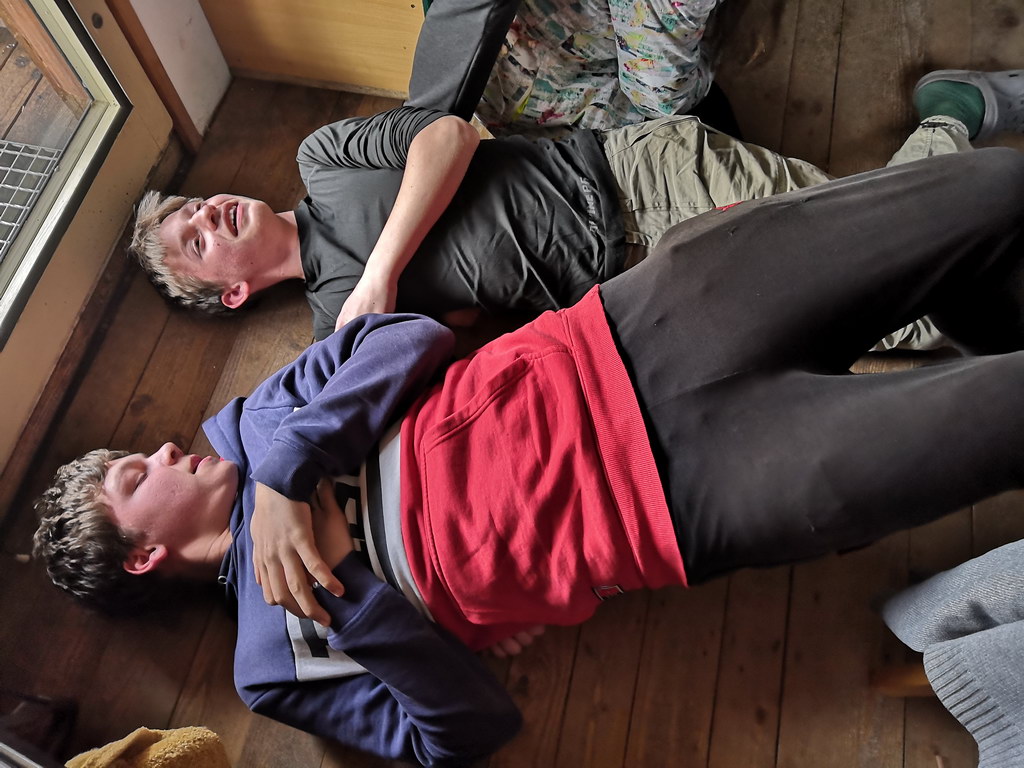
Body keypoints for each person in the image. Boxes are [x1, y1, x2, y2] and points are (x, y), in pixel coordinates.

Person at [34, 148, 1024, 764]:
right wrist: (355, 603)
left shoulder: (255, 423)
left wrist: (296, 467)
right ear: (144, 555)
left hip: (642, 326)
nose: (164, 447)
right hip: (685, 501)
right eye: (136, 473)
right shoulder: (268, 664)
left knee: (994, 189)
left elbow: (407, 337)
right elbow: (461, 733)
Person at [127, 0, 1022, 345]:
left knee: (887, 271)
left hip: (638, 177)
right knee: (879, 311)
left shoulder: (322, 164)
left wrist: (381, 274)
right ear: (231, 294)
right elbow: (470, 329)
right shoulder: (337, 330)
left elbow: (449, 138)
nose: (210, 214)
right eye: (194, 239)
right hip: (644, 280)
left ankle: (953, 121)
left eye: (197, 204)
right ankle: (953, 130)